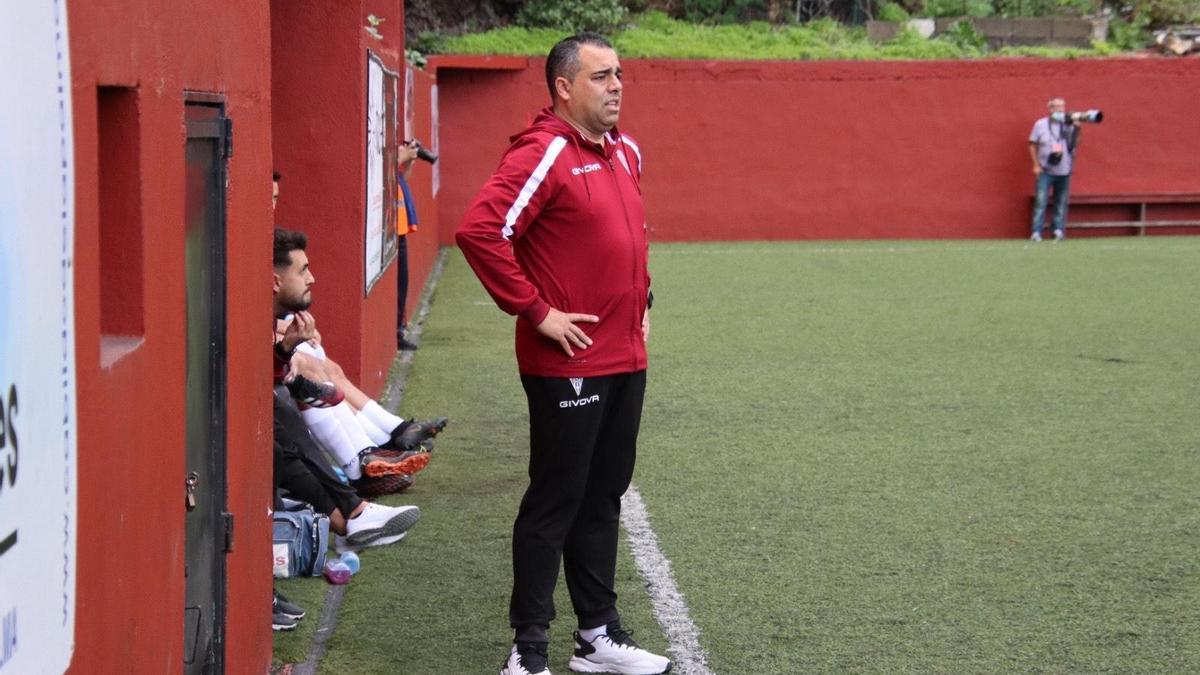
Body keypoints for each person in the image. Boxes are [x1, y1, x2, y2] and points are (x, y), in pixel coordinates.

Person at [456, 32, 670, 675]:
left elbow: (626, 241)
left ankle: (598, 637)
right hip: (568, 363)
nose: (616, 87)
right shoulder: (543, 152)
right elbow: (481, 231)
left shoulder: (626, 151)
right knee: (556, 498)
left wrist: (644, 301)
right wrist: (537, 311)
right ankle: (527, 651)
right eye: (601, 76)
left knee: (605, 494)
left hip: (625, 354)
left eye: (620, 75)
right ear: (564, 87)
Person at [1028, 97, 1079, 242]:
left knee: (1061, 202)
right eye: (1056, 107)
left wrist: (1077, 128)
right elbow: (1032, 143)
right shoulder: (1040, 124)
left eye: (1062, 107)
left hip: (1064, 170)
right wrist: (1036, 164)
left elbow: (1075, 144)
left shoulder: (1068, 124)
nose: (1060, 110)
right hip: (1045, 170)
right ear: (1050, 109)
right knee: (1041, 201)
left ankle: (1057, 229)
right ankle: (1036, 231)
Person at [396, 141, 421, 350]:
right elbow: (386, 174)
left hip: (400, 229)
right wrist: (401, 158)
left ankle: (399, 329)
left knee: (403, 284)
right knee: (399, 284)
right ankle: (397, 332)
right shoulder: (388, 160)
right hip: (393, 231)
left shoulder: (396, 166)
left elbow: (402, 179)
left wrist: (409, 162)